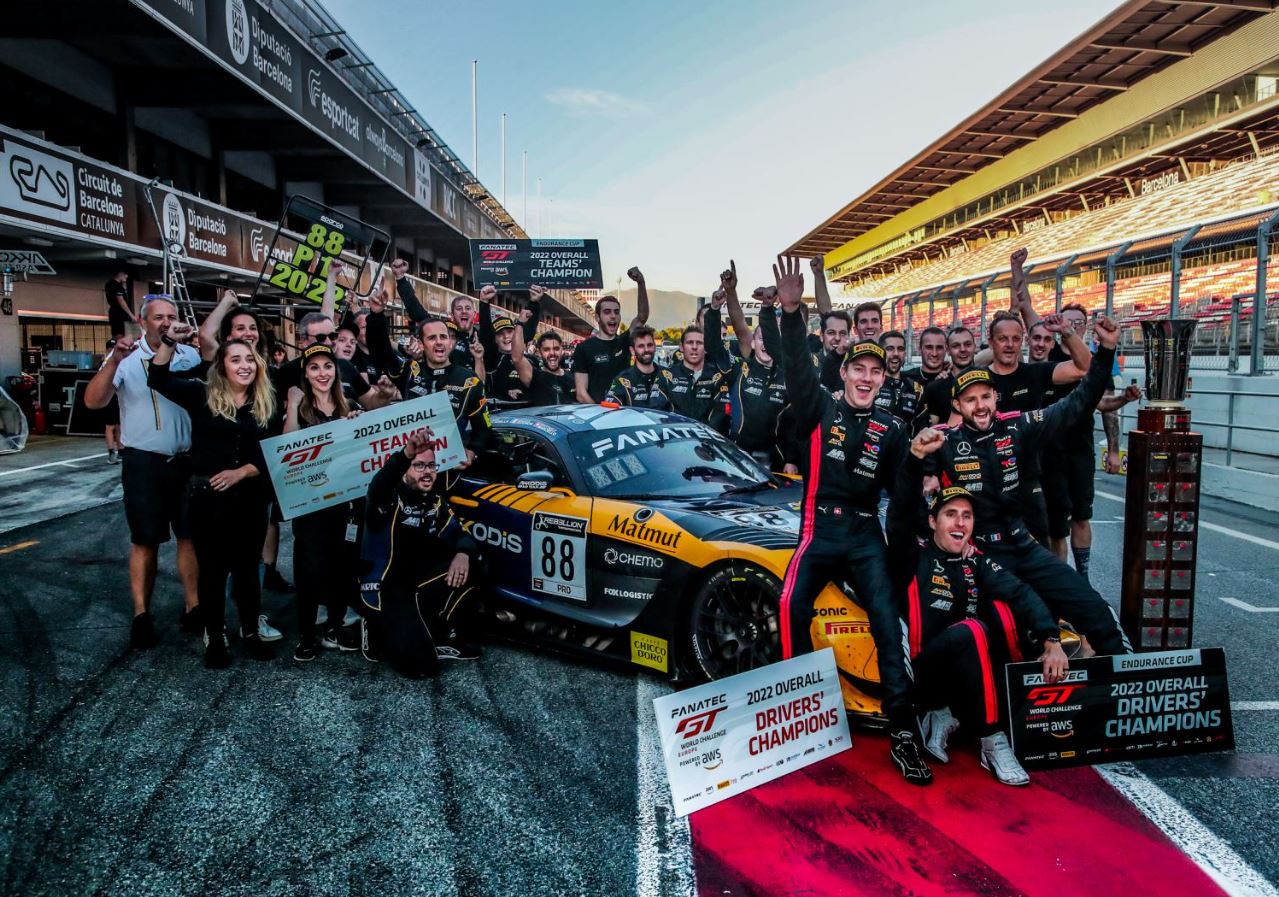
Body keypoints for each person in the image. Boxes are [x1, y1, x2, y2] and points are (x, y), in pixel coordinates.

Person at [758, 256, 926, 784]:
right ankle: (796, 715)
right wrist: (791, 314)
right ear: (845, 373)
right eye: (859, 369)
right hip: (818, 528)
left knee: (887, 621)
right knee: (791, 605)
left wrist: (919, 467)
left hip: (864, 533)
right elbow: (795, 367)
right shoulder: (818, 407)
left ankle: (904, 732)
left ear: (883, 378)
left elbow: (904, 501)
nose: (867, 378)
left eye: (876, 371)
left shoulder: (894, 429)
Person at [913, 314, 1132, 658]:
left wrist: (1105, 350)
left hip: (1022, 542)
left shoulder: (1018, 426)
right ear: (957, 406)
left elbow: (1079, 403)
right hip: (978, 553)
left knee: (1091, 606)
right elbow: (912, 499)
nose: (980, 406)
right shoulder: (942, 440)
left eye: (986, 397)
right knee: (1010, 626)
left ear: (995, 398)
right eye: (970, 400)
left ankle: (1124, 674)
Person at [893, 484, 1068, 786]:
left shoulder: (977, 561)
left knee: (1003, 611)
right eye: (950, 514)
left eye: (967, 516)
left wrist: (1052, 641)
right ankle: (991, 740)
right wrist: (918, 465)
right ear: (932, 521)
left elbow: (1021, 593)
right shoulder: (912, 556)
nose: (960, 523)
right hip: (922, 675)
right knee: (973, 630)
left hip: (966, 675)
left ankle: (952, 713)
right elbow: (899, 515)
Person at [146, 324, 277, 668]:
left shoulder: (266, 402)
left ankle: (250, 630)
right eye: (236, 359)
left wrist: (244, 471)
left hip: (250, 497)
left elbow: (275, 450)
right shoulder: (201, 394)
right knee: (213, 571)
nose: (244, 365)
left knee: (247, 569)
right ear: (222, 366)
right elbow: (157, 379)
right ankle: (214, 635)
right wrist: (169, 341)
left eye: (249, 359)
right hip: (208, 498)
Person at [84, 296, 200, 648]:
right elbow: (93, 401)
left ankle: (193, 606)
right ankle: (141, 613)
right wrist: (113, 362)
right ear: (142, 321)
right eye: (158, 317)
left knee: (190, 535)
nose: (166, 322)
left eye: (171, 316)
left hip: (187, 460)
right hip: (144, 462)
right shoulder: (126, 359)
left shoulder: (190, 356)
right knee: (145, 540)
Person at [360, 431, 482, 676]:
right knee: (421, 668)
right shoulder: (388, 497)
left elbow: (462, 534)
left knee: (476, 563)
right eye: (418, 466)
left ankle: (439, 632)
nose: (427, 472)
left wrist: (463, 554)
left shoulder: (435, 501)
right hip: (386, 589)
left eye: (431, 466)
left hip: (416, 583)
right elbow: (378, 487)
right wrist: (405, 454)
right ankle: (374, 627)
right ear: (405, 469)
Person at [1036, 304, 1141, 574]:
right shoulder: (1048, 355)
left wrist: (1115, 449)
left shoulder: (1099, 361)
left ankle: (1082, 575)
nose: (1073, 327)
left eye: (1078, 323)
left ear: (1085, 327)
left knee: (1082, 516)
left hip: (1081, 448)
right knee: (1056, 525)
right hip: (1049, 452)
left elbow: (1105, 405)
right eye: (1068, 322)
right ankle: (1060, 579)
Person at [284, 343, 365, 661]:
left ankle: (334, 625)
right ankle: (306, 635)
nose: (322, 373)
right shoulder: (301, 409)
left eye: (328, 366)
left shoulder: (350, 406)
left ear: (336, 371)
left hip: (346, 504)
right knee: (310, 570)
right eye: (315, 367)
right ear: (305, 373)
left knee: (343, 567)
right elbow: (286, 448)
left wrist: (358, 424)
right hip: (311, 505)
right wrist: (293, 406)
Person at [365, 302, 492, 464]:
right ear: (421, 344)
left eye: (443, 337)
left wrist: (472, 451)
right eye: (432, 338)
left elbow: (484, 430)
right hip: (410, 466)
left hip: (448, 467)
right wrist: (376, 315)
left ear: (450, 342)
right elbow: (379, 352)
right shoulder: (409, 370)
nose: (439, 342)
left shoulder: (470, 381)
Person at [705, 265, 788, 468]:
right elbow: (714, 347)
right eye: (760, 338)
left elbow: (796, 424)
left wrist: (792, 458)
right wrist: (714, 310)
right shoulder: (739, 369)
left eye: (770, 338)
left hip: (777, 461)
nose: (765, 344)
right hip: (739, 457)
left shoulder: (788, 375)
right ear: (752, 343)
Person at [573, 267, 650, 403]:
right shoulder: (583, 349)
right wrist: (602, 413)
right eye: (607, 312)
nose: (613, 316)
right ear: (597, 317)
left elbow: (642, 317)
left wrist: (641, 283)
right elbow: (581, 394)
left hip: (625, 411)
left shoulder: (625, 341)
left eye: (616, 312)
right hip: (598, 413)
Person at [475, 283, 542, 411]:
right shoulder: (493, 359)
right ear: (495, 339)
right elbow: (486, 331)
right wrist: (484, 302)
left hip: (531, 414)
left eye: (510, 332)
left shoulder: (532, 360)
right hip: (501, 414)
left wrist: (534, 302)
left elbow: (527, 328)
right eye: (500, 334)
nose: (506, 336)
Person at [664, 324, 729, 429]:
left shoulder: (717, 377)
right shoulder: (666, 376)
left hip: (707, 437)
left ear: (706, 348)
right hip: (675, 436)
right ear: (681, 347)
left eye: (699, 343)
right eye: (690, 342)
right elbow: (658, 412)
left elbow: (720, 415)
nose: (694, 347)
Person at [920, 326, 976, 427]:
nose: (963, 349)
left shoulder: (988, 380)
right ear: (948, 350)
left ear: (975, 347)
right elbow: (933, 428)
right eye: (956, 346)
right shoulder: (935, 387)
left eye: (967, 344)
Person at [604, 325, 672, 409]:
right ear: (632, 350)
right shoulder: (622, 380)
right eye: (641, 346)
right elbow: (610, 410)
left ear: (654, 346)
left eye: (649, 345)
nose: (646, 350)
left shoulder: (668, 375)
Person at [511, 324, 575, 407]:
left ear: (562, 350)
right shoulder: (534, 376)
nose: (552, 353)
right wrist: (520, 323)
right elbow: (517, 358)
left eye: (556, 349)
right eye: (546, 349)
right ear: (539, 352)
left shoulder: (573, 377)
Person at [873, 330, 923, 426]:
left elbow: (922, 428)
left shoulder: (916, 390)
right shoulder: (870, 384)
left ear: (905, 354)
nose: (896, 353)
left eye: (900, 349)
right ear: (880, 353)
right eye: (890, 349)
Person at [102, 338, 122, 464]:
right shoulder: (107, 362)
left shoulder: (119, 359)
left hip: (119, 395)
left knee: (119, 425)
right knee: (110, 426)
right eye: (111, 348)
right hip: (110, 395)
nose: (112, 350)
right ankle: (111, 453)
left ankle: (121, 451)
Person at [104, 270, 137, 339]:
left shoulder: (108, 284)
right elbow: (121, 301)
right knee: (121, 335)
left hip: (113, 313)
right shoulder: (117, 286)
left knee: (116, 334)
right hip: (119, 315)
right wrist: (131, 315)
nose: (126, 276)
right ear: (120, 273)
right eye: (125, 274)